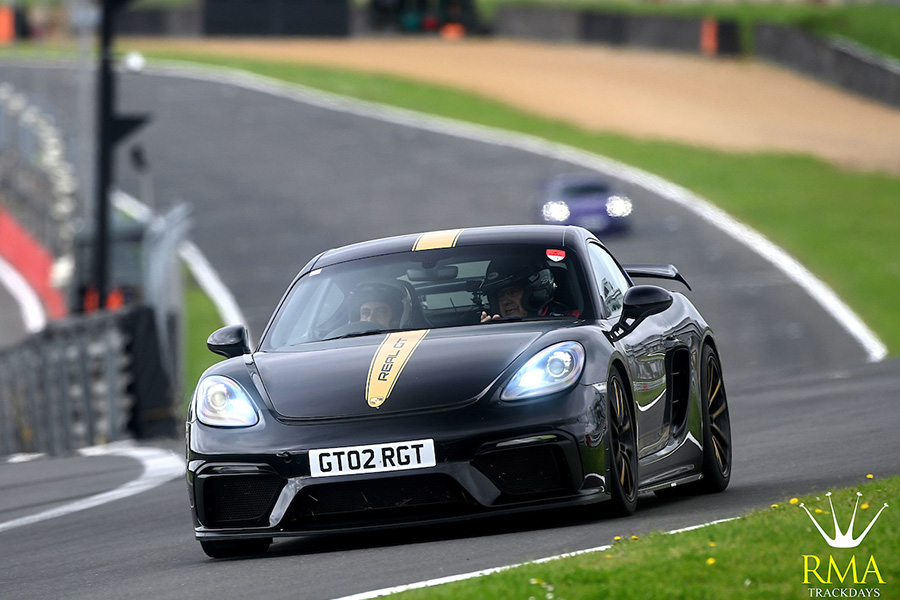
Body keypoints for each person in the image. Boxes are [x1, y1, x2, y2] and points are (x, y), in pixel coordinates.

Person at [479, 258, 578, 322]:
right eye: (500, 295)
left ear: (536, 289)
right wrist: (486, 335)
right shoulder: (492, 328)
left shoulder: (571, 323)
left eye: (513, 292)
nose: (505, 301)